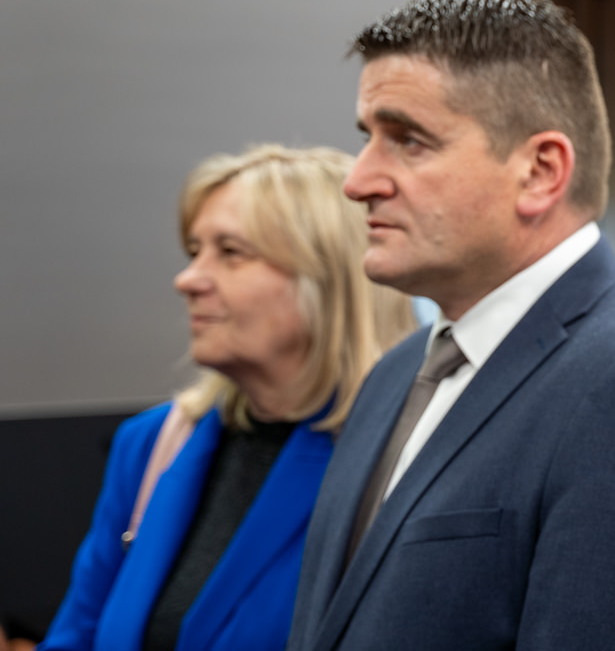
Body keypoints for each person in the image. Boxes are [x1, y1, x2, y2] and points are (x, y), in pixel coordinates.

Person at [286, 0, 615, 651]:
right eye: (368, 139)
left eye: (409, 141)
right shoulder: (396, 374)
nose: (358, 181)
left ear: (540, 172)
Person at [39, 145, 415, 651]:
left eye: (231, 252)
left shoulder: (405, 456)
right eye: (195, 251)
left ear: (329, 278)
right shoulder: (153, 444)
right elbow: (77, 637)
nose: (187, 279)